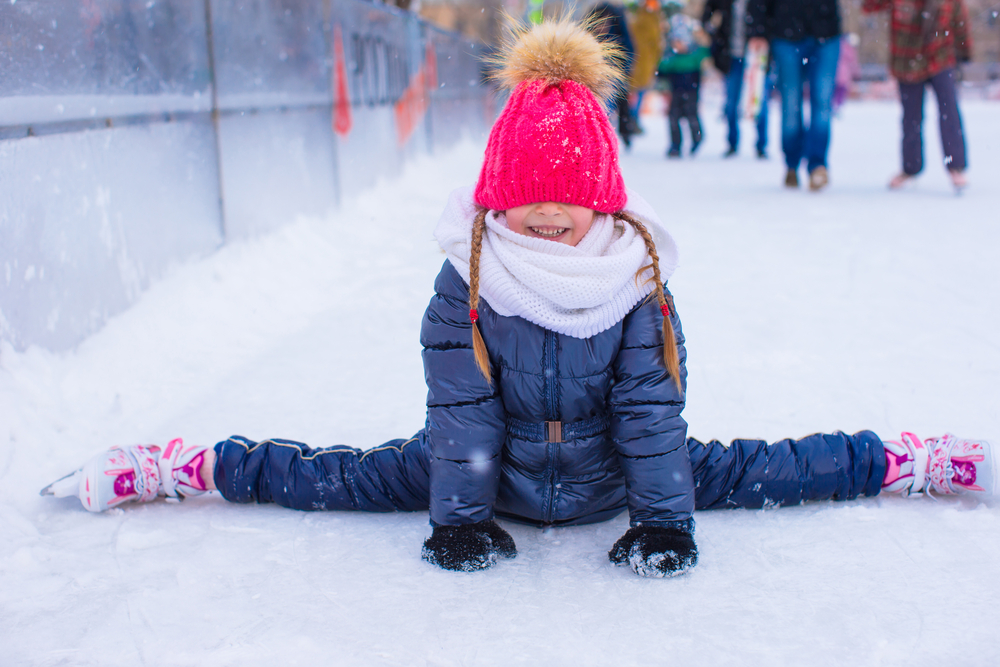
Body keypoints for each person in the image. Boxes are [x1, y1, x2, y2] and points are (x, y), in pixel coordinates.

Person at [41, 19, 996, 578]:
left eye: (568, 207)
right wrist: (458, 515)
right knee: (327, 475)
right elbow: (460, 414)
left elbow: (650, 415)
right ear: (496, 201)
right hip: (484, 476)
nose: (545, 220)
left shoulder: (636, 283)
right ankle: (193, 467)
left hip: (615, 473)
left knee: (769, 468)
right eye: (526, 204)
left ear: (605, 208)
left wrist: (662, 519)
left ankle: (903, 461)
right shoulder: (467, 280)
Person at [862, 0, 973, 192]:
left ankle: (956, 166)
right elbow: (869, 6)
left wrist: (964, 51)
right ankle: (910, 168)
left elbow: (959, 20)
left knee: (949, 112)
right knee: (911, 117)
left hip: (940, 57)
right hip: (907, 60)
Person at [747, 0, 841, 191]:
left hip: (826, 31)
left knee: (822, 102)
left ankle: (818, 165)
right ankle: (792, 162)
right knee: (791, 104)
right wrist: (757, 31)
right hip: (786, 33)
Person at [702, 0, 770, 159]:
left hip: (756, 57)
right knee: (731, 102)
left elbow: (772, 20)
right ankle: (732, 142)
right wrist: (713, 31)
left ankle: (762, 145)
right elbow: (707, 14)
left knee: (759, 101)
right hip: (731, 57)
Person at [658, 7, 710, 158]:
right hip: (676, 92)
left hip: (692, 92)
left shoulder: (695, 55)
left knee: (691, 115)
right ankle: (675, 145)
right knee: (673, 118)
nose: (678, 45)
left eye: (681, 41)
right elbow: (662, 69)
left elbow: (706, 50)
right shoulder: (671, 59)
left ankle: (697, 138)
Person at [588, 2, 637, 149]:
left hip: (617, 70)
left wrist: (625, 68)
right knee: (603, 107)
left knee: (622, 105)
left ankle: (625, 132)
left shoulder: (618, 20)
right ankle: (602, 135)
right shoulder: (595, 16)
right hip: (598, 72)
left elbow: (628, 47)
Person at [625, 0, 665, 133]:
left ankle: (631, 119)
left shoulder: (639, 17)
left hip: (638, 60)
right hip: (644, 61)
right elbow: (655, 43)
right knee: (639, 91)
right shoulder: (649, 19)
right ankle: (632, 119)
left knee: (636, 91)